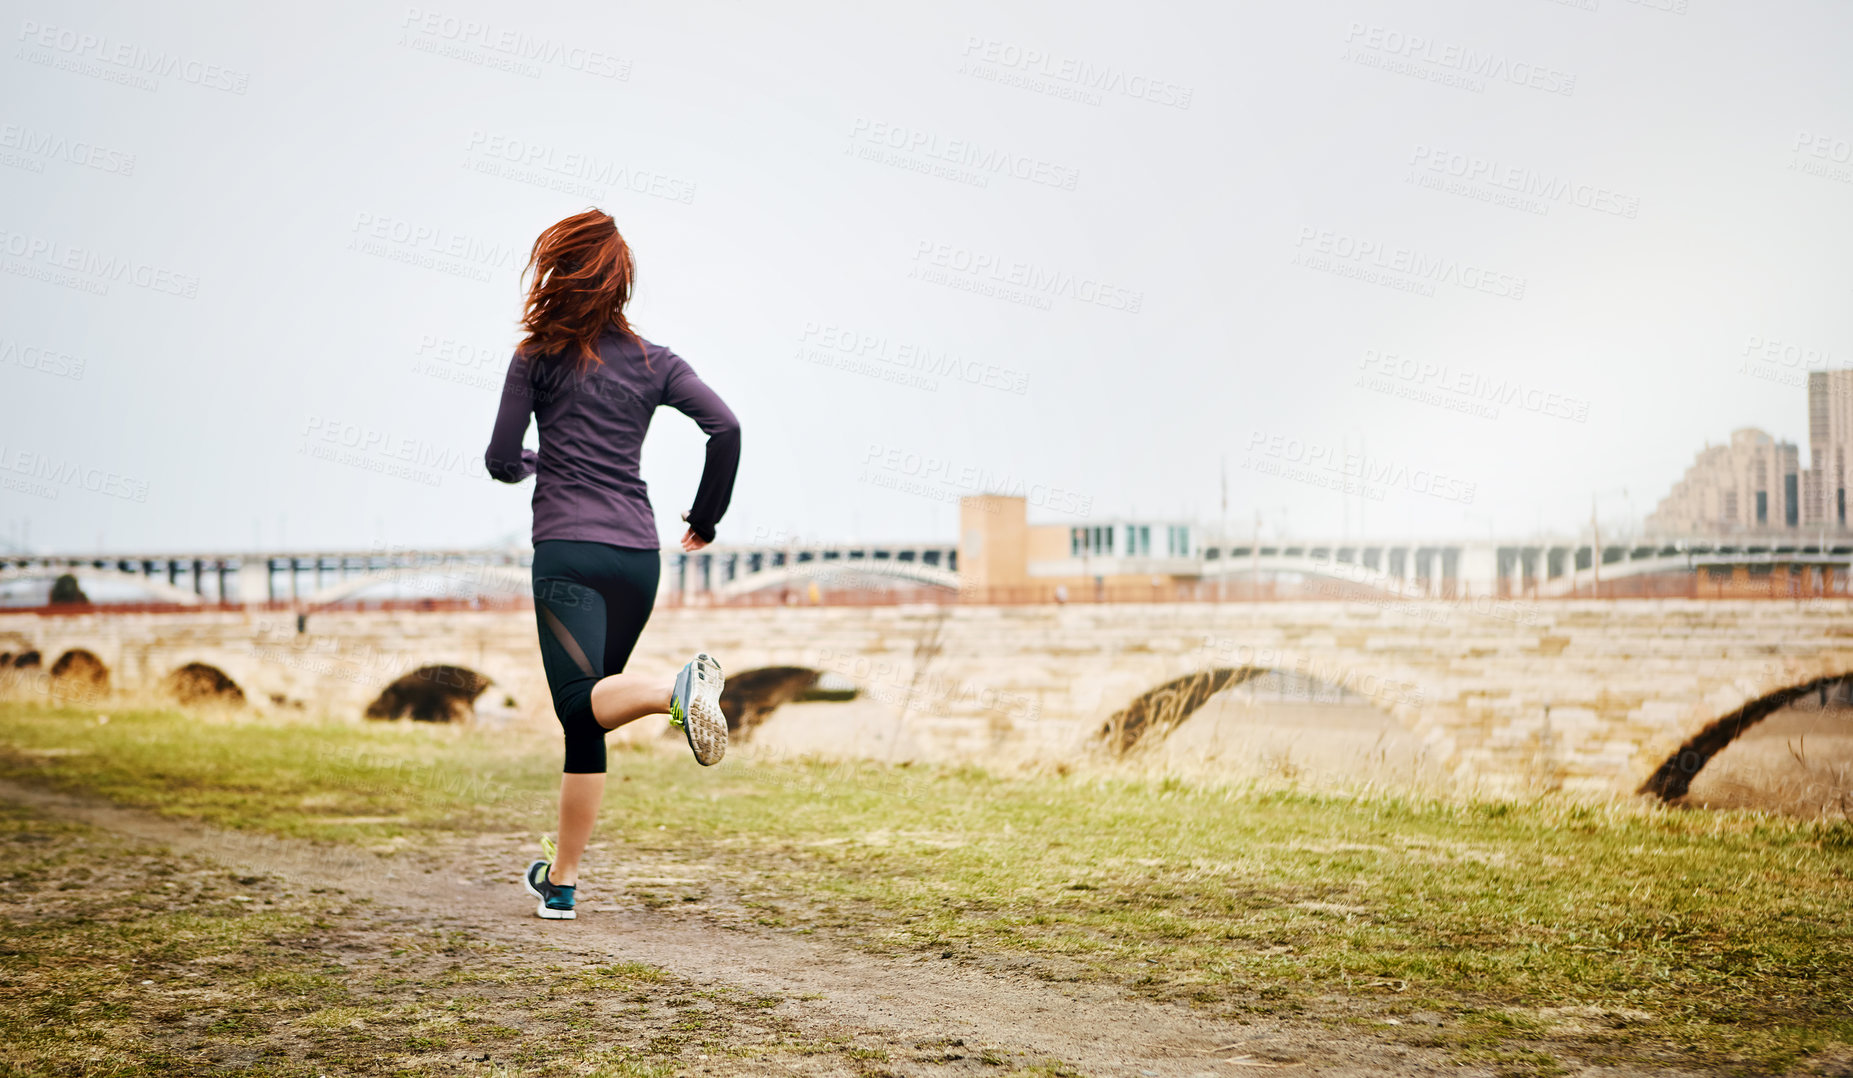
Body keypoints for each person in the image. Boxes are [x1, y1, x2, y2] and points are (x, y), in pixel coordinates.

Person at [485, 208, 740, 920]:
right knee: (586, 721)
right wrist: (705, 516)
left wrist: (542, 460)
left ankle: (673, 691)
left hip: (567, 550)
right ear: (621, 283)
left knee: (577, 701)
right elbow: (726, 426)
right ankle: (559, 883)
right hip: (637, 555)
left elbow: (502, 462)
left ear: (556, 275)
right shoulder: (658, 361)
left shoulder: (534, 356)